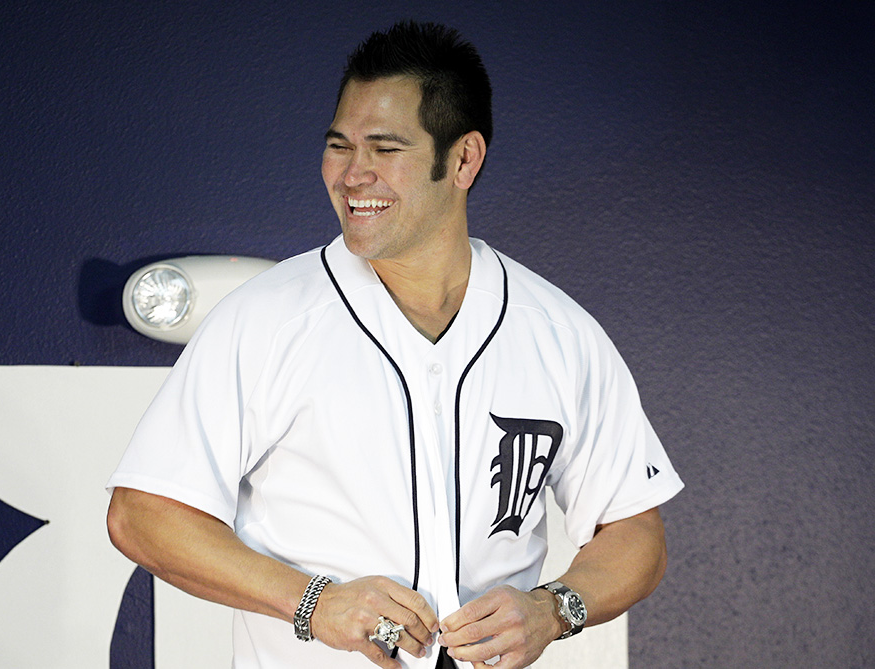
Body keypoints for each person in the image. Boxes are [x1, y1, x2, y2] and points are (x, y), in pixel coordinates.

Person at [107, 21, 683, 669]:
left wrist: (555, 606)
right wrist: (313, 601)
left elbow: (636, 530)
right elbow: (143, 512)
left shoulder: (557, 330)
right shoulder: (265, 317)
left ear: (463, 159)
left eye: (385, 148)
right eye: (339, 145)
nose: (354, 175)